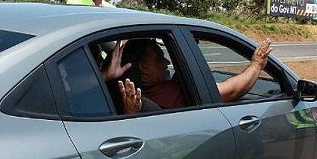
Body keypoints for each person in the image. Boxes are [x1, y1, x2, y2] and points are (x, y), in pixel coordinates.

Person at [117, 38, 274, 108]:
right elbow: (230, 91)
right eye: (159, 59)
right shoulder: (168, 94)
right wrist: (256, 65)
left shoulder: (133, 95)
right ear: (142, 68)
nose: (167, 62)